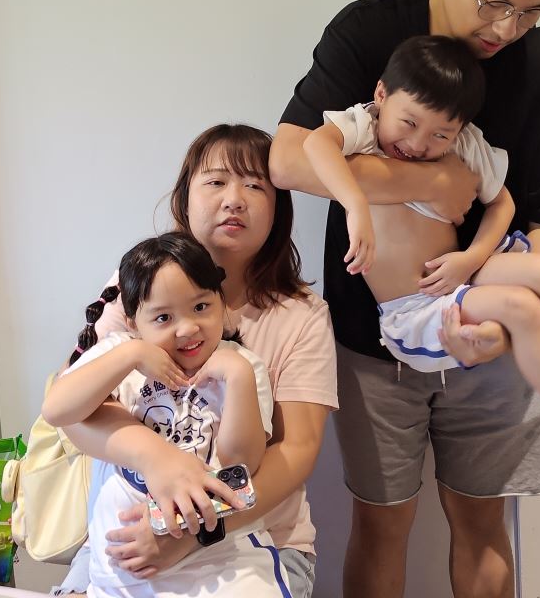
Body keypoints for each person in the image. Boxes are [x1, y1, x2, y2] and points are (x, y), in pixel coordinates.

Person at [270, 0, 540, 598]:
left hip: (491, 329)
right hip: (374, 333)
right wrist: (427, 183)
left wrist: (501, 333)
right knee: (382, 523)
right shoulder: (369, 32)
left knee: (483, 521)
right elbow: (287, 158)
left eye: (531, 13)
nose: (506, 29)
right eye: (494, 2)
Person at [304, 34, 540, 497]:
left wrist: (470, 258)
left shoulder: (464, 143)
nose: (419, 144)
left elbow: (502, 204)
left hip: (458, 277)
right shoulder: (363, 125)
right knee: (524, 309)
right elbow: (314, 146)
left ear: (459, 127)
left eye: (440, 134)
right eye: (409, 123)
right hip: (415, 309)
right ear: (382, 94)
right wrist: (355, 205)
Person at [56, 124, 337, 598]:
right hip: (125, 537)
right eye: (216, 181)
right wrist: (158, 457)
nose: (235, 200)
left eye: (255, 186)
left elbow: (296, 452)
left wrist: (194, 531)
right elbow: (73, 415)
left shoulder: (301, 315)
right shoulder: (138, 285)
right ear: (185, 197)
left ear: (278, 209)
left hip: (256, 539)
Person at [43, 232, 289, 598]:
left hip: (220, 563)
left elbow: (242, 464)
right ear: (132, 322)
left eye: (201, 307)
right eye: (163, 317)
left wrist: (237, 378)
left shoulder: (240, 365)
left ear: (221, 301)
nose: (187, 328)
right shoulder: (119, 354)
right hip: (121, 572)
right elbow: (57, 408)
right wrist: (130, 355)